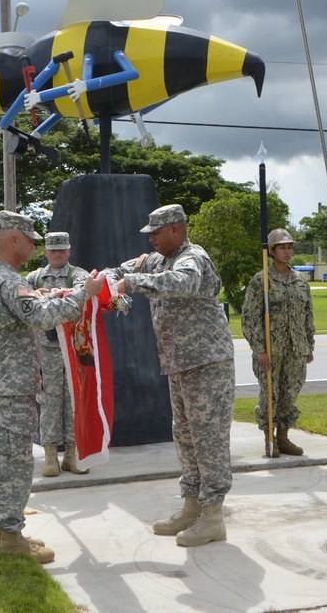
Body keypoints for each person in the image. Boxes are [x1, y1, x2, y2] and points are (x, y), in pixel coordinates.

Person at [0, 210, 103, 563]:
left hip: (5, 386)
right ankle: (11, 536)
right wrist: (84, 294)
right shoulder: (8, 281)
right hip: (11, 390)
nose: (35, 245)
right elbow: (44, 316)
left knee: (4, 464)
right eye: (31, 239)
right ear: (14, 239)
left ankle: (7, 532)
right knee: (14, 466)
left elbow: (36, 306)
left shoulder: (1, 277)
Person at [113, 204, 235, 547]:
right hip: (179, 364)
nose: (150, 238)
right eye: (148, 233)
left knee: (208, 439)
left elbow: (181, 283)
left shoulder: (192, 258)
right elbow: (120, 270)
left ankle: (213, 516)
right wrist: (93, 281)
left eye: (156, 232)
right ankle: (192, 505)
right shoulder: (158, 260)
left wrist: (131, 282)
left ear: (176, 231)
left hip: (206, 364)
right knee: (184, 436)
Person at [241, 228, 315, 457]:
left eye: (290, 247)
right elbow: (250, 317)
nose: (287, 251)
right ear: (272, 252)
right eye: (282, 247)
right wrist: (260, 350)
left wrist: (308, 346)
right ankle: (269, 439)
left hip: (296, 350)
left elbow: (307, 315)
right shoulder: (261, 281)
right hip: (271, 351)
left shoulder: (300, 281)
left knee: (290, 395)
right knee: (269, 395)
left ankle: (283, 437)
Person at [25, 231, 90, 477]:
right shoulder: (34, 277)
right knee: (50, 402)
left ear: (69, 251)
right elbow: (21, 298)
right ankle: (50, 455)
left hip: (74, 348)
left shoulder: (78, 275)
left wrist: (53, 295)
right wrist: (36, 294)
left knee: (74, 401)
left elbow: (85, 292)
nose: (58, 254)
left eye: (62, 250)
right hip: (46, 349)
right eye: (53, 250)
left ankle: (72, 455)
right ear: (46, 253)